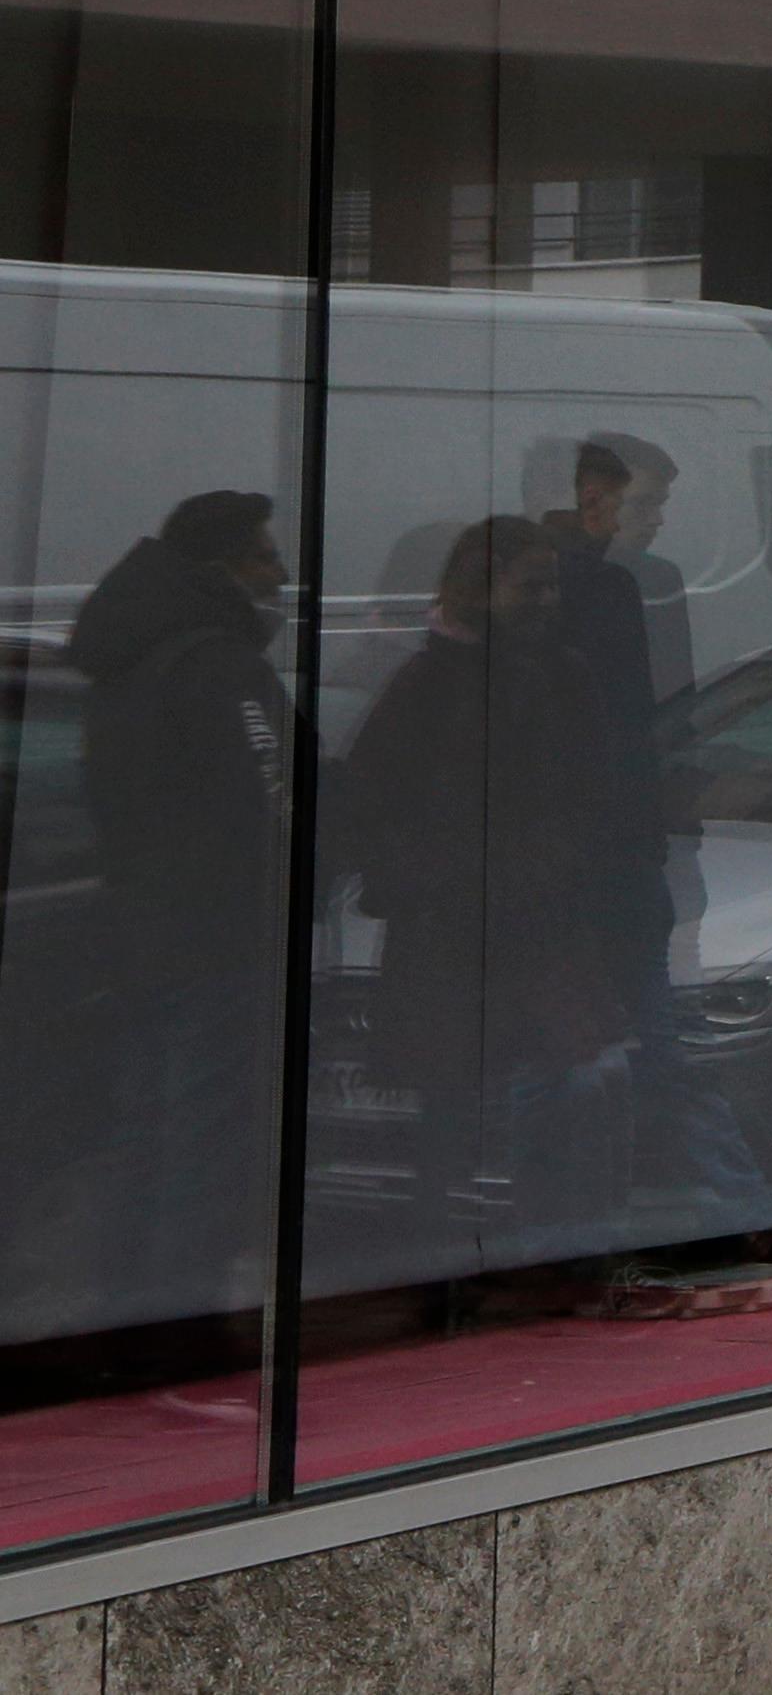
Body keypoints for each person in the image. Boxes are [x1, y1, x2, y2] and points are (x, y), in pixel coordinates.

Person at [340, 514, 625, 1278]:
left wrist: (552, 870)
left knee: (555, 1088)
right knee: (460, 1107)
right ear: (481, 589)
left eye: (551, 585)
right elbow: (370, 803)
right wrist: (432, 878)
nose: (545, 600)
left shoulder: (560, 676)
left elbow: (599, 800)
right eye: (529, 585)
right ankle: (459, 1266)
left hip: (532, 925)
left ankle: (537, 1257)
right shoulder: (429, 684)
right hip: (458, 931)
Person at [70, 488, 295, 1337]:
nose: (280, 572)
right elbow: (269, 801)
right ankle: (177, 1336)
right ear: (225, 567)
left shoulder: (124, 660)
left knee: (143, 1132)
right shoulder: (217, 665)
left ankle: (120, 1320)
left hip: (143, 927)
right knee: (204, 1142)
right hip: (216, 935)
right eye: (266, 556)